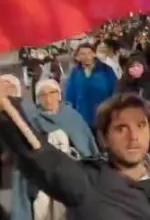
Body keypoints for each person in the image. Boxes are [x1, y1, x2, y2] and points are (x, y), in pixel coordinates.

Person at [0, 92, 150, 219]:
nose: (134, 137)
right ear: (103, 138)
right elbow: (41, 156)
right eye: (121, 128)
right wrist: (6, 110)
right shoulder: (85, 181)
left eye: (141, 126)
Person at [12, 79, 98, 220]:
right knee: (42, 207)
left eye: (52, 93)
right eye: (42, 95)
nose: (48, 98)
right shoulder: (33, 120)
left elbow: (86, 146)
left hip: (71, 170)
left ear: (59, 95)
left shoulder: (72, 117)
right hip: (45, 174)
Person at [64, 44, 117, 128]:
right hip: (82, 117)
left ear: (94, 54)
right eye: (83, 54)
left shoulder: (106, 70)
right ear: (78, 56)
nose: (87, 56)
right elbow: (70, 95)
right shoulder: (75, 72)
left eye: (89, 53)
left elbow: (115, 90)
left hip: (103, 115)